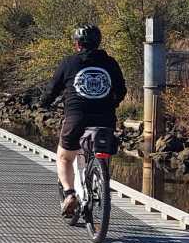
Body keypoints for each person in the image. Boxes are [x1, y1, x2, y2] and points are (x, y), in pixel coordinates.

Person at [41, 24, 126, 218]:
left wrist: (44, 103)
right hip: (105, 118)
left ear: (77, 44)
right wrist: (112, 103)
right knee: (101, 151)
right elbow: (121, 90)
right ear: (98, 43)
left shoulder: (69, 63)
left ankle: (70, 194)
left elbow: (52, 89)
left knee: (64, 157)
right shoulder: (110, 63)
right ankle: (99, 179)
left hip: (76, 118)